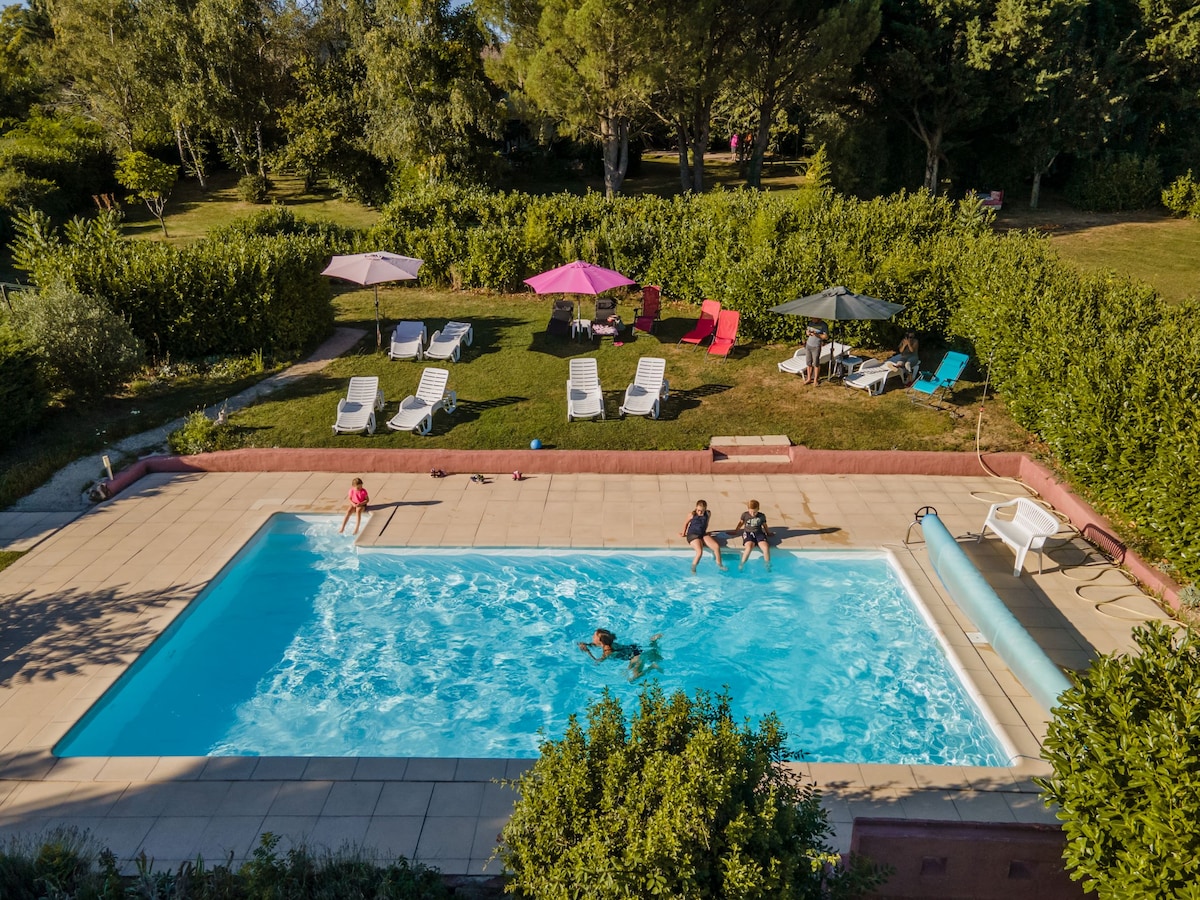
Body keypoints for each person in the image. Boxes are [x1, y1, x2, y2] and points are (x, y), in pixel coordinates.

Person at [579, 629, 663, 681]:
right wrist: (587, 645)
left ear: (601, 642)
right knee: (657, 657)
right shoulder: (610, 643)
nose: (592, 637)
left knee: (632, 680)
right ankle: (653, 642)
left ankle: (652, 667)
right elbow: (597, 644)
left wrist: (588, 652)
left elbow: (597, 662)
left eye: (594, 636)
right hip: (635, 649)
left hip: (635, 658)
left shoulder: (607, 652)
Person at [681, 499, 726, 572]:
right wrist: (683, 534)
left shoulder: (708, 513)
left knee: (716, 547)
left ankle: (719, 565)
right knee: (699, 551)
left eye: (702, 511)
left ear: (705, 509)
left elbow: (706, 523)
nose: (700, 512)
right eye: (698, 510)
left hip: (702, 534)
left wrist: (705, 533)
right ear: (696, 508)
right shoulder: (692, 514)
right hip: (692, 535)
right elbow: (685, 523)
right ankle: (693, 569)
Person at [731, 499, 773, 570]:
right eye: (751, 512)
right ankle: (742, 564)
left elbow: (764, 525)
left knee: (765, 547)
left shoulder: (761, 516)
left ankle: (767, 565)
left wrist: (768, 533)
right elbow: (740, 523)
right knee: (749, 546)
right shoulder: (745, 515)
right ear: (748, 509)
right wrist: (735, 531)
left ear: (758, 509)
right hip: (748, 533)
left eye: (755, 512)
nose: (753, 514)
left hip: (759, 533)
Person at [804, 317, 829, 385]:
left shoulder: (824, 325)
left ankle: (815, 379)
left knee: (816, 363)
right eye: (812, 318)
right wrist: (808, 333)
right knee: (808, 363)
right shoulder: (810, 323)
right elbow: (807, 332)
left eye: (813, 318)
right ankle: (809, 378)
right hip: (808, 345)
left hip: (816, 346)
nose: (812, 319)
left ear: (818, 318)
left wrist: (817, 335)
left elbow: (826, 336)